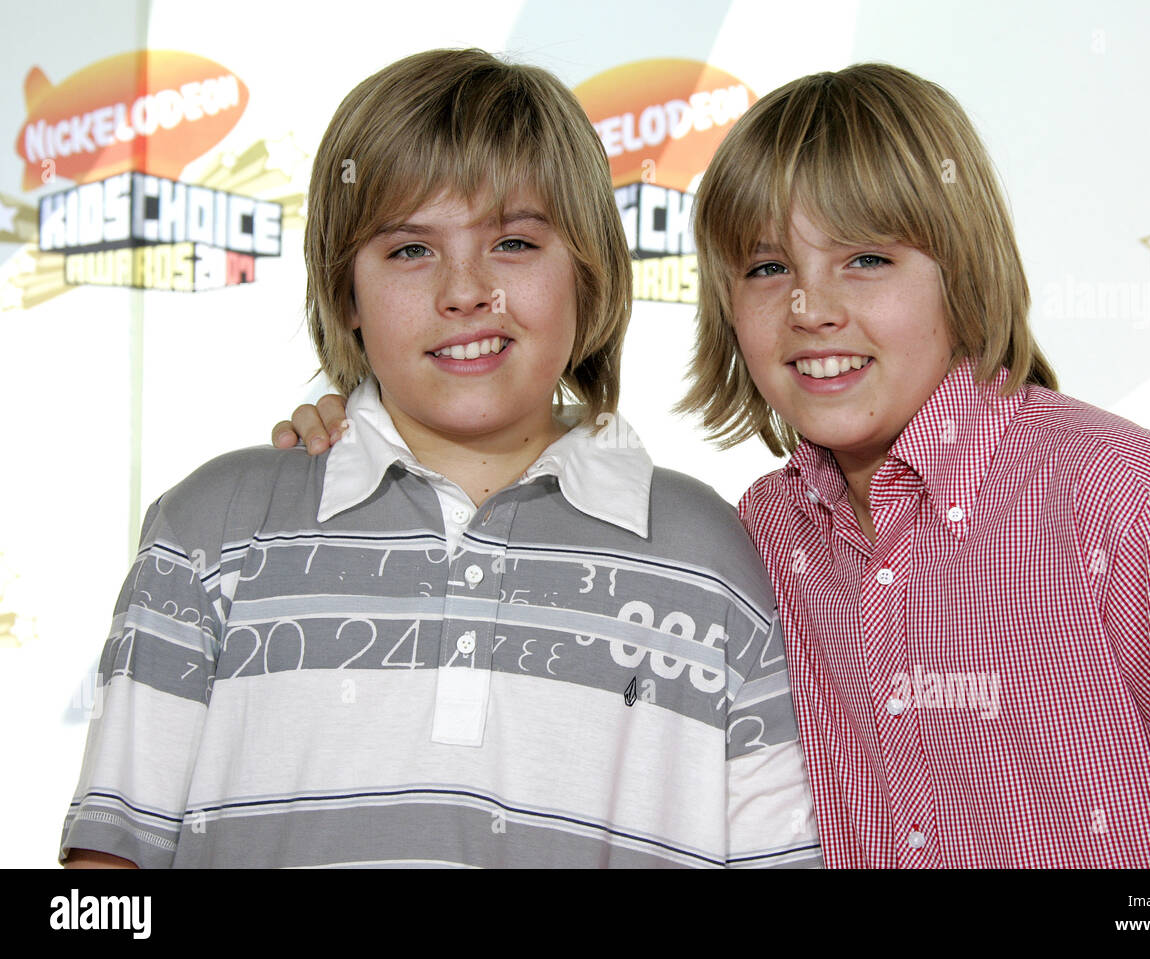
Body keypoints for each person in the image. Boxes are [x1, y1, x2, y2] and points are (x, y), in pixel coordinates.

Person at [283, 61, 1150, 869]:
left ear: (964, 265)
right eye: (768, 267)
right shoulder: (758, 540)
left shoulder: (1148, 516)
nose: (812, 307)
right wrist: (363, 439)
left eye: (866, 258)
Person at [61, 49, 821, 869]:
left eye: (516, 243)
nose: (465, 291)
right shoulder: (210, 532)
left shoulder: (715, 561)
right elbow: (107, 874)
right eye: (410, 251)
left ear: (588, 273)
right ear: (345, 291)